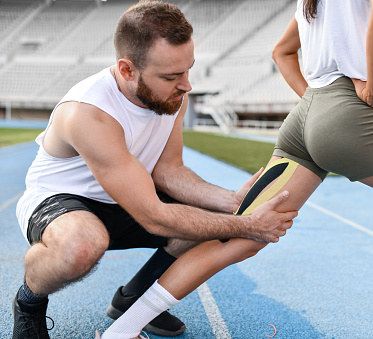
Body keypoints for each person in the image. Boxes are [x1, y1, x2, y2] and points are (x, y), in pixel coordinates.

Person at [96, 0, 373, 339]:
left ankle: (122, 330)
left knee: (245, 233)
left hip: (306, 116)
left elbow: (281, 52)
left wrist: (317, 108)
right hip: (347, 111)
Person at [11, 1, 298, 338]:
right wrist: (248, 224)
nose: (186, 85)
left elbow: (169, 172)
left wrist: (231, 200)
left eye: (188, 69)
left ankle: (134, 302)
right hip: (62, 202)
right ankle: (28, 304)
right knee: (82, 245)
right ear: (127, 69)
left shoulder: (173, 97)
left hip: (129, 198)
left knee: (212, 222)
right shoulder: (88, 113)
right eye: (172, 76)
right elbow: (153, 216)